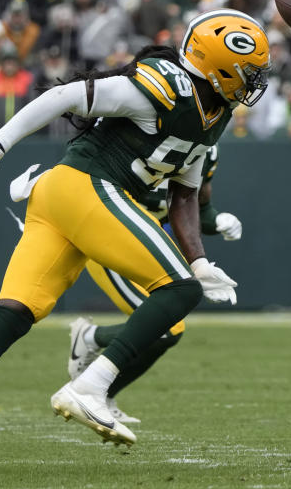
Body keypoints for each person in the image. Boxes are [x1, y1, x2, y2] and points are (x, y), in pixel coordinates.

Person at [0, 10, 272, 477]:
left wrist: (199, 260)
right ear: (216, 61)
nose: (254, 81)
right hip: (85, 187)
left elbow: (185, 193)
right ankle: (91, 386)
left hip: (64, 200)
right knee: (177, 292)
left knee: (13, 313)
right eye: (248, 70)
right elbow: (67, 94)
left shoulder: (214, 112)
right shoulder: (166, 83)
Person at [66, 145, 244, 423]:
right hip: (106, 236)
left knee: (170, 328)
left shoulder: (206, 149)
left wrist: (217, 219)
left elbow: (196, 208)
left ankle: (101, 392)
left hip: (145, 248)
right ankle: (90, 339)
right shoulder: (148, 131)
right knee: (168, 327)